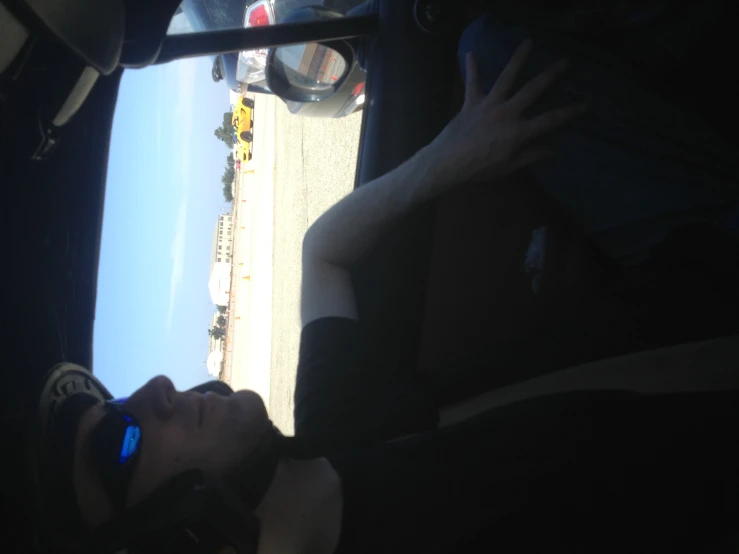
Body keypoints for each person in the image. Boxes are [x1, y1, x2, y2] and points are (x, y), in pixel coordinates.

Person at [32, 21, 739, 554]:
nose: (154, 387)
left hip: (689, 290)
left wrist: (451, 154)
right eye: (119, 439)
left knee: (485, 52)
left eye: (122, 398)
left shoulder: (340, 429)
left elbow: (323, 254)